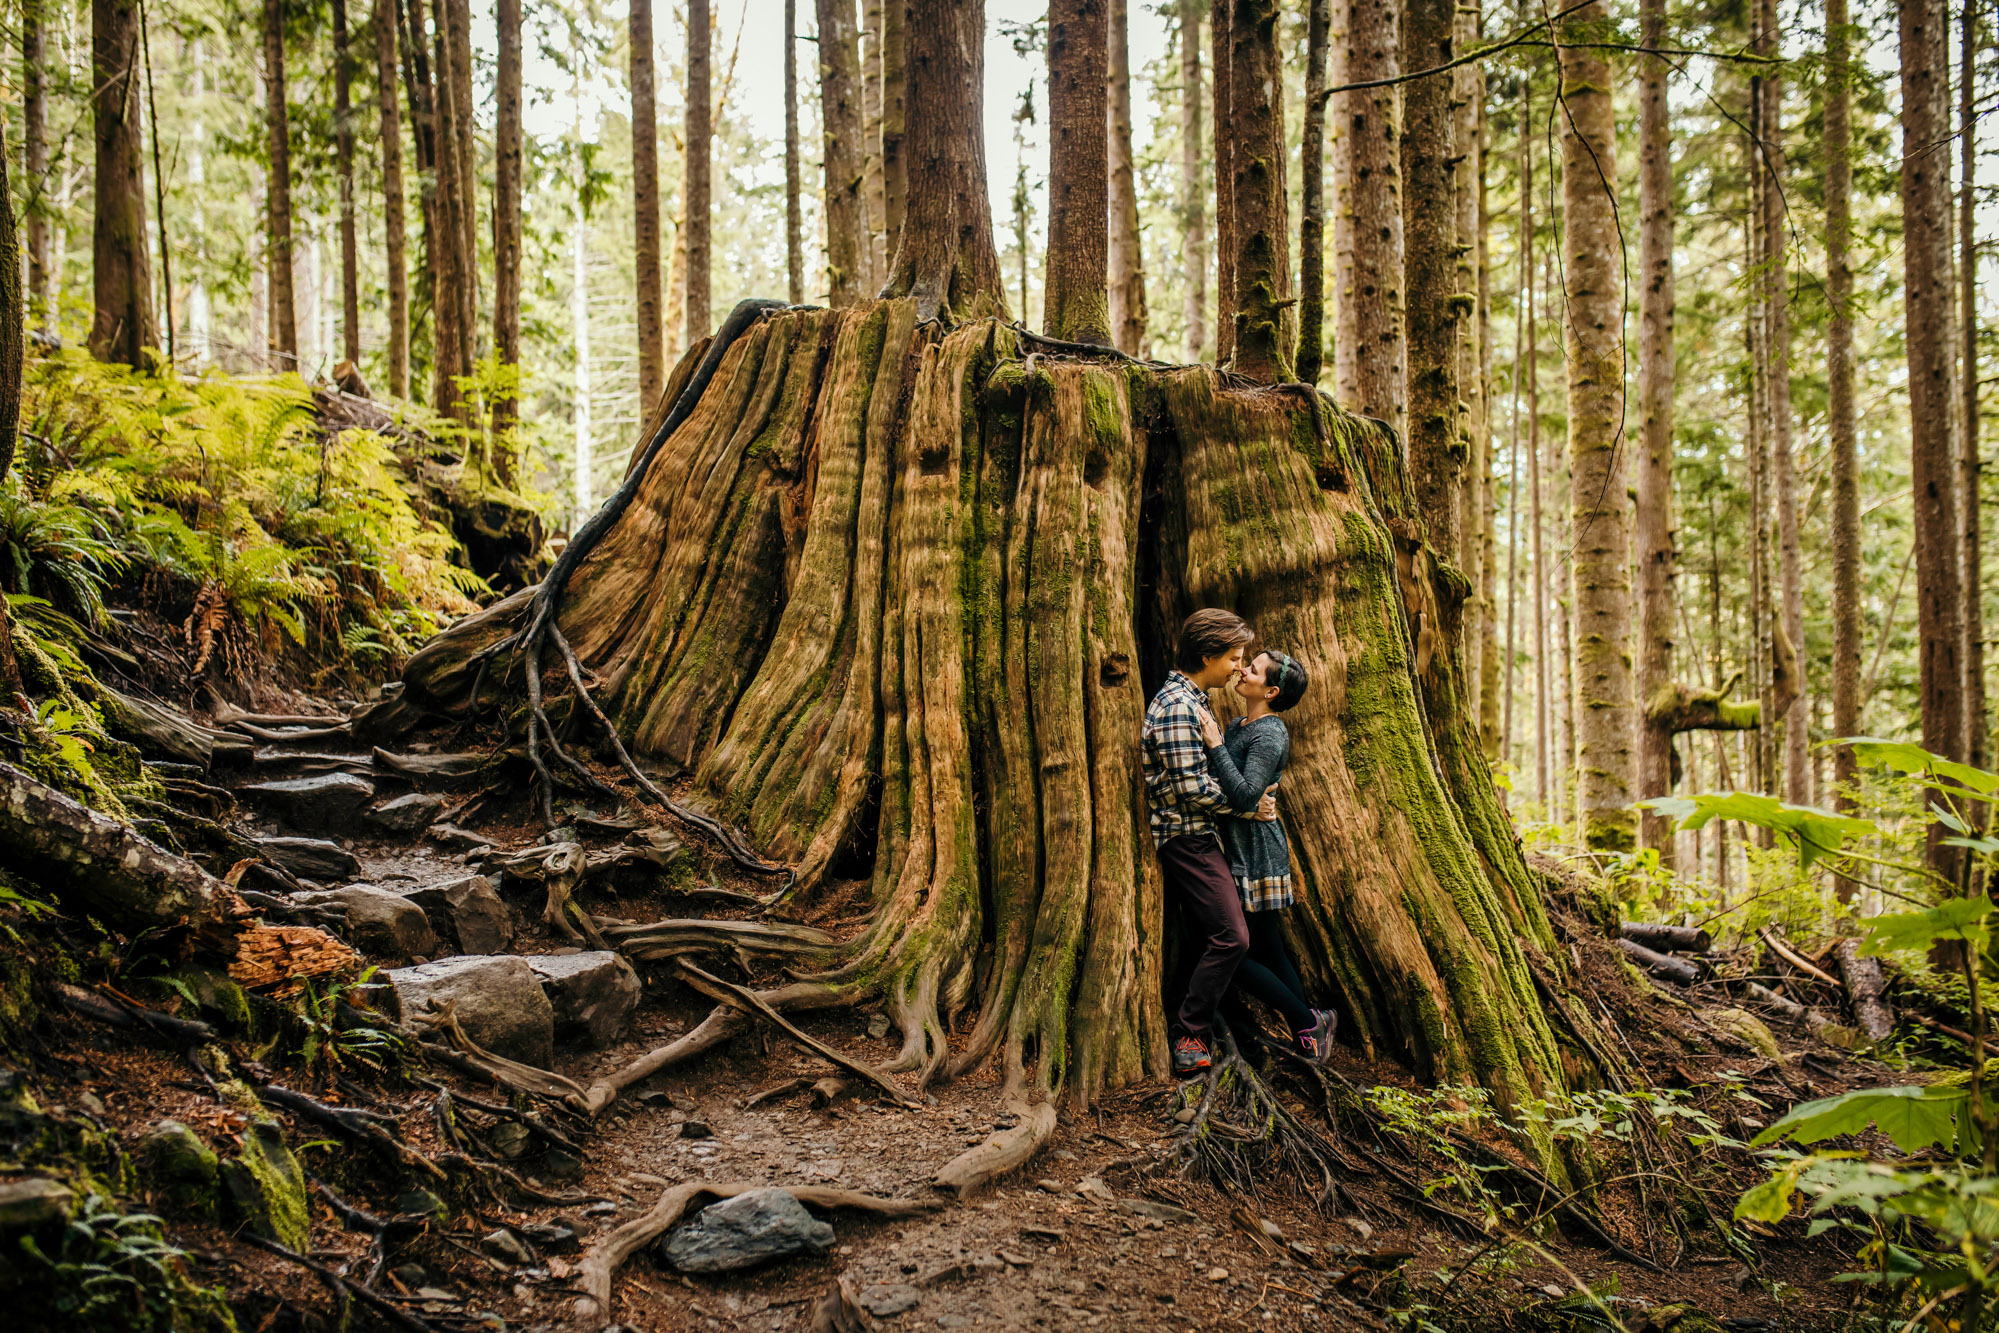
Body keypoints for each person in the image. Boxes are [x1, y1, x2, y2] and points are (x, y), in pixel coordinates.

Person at [1141, 608, 1277, 1076]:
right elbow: (1190, 788)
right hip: (1186, 838)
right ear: (1207, 656)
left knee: (1210, 936)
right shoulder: (1180, 706)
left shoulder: (1194, 698)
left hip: (1202, 835)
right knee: (1232, 937)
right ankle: (1189, 1033)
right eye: (1235, 658)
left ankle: (1234, 1031)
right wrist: (1247, 806)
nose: (1240, 667)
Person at [1201, 649, 1337, 1063]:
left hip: (1256, 854)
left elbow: (1244, 795)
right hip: (1241, 843)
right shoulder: (1241, 724)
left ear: (1271, 690)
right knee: (1269, 949)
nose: (1243, 670)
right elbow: (1237, 789)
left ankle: (1305, 1023)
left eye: (1254, 670)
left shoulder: (1270, 733)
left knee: (1232, 951)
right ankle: (1310, 1030)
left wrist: (1214, 744)